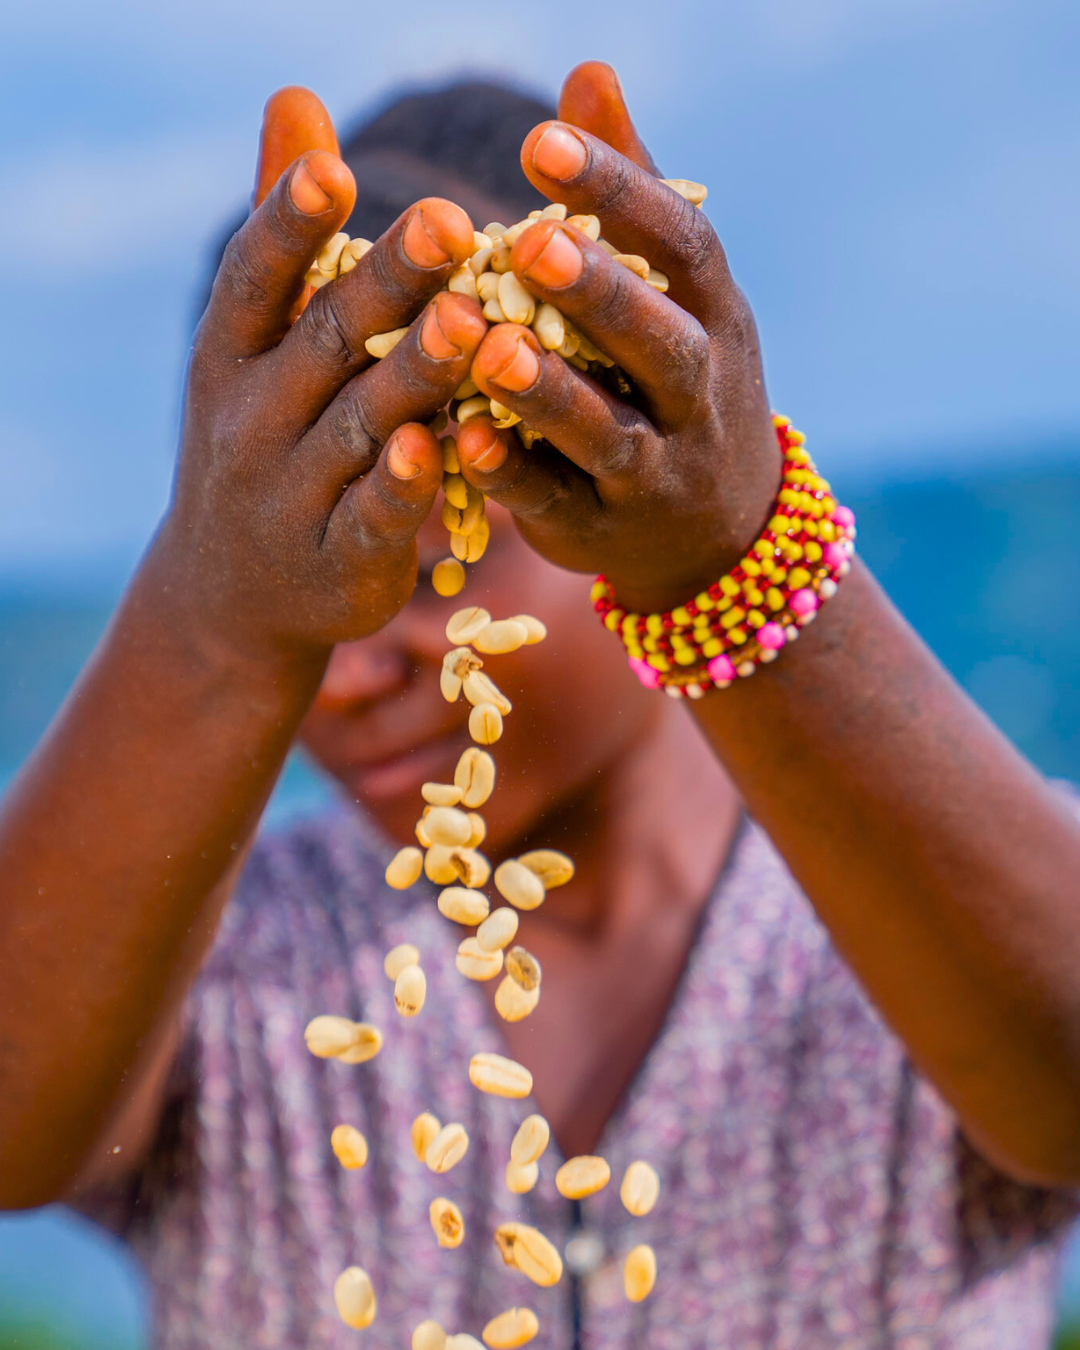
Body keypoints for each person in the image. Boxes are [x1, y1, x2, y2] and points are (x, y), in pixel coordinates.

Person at [1, 59, 1080, 1350]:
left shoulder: (911, 903)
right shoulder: (226, 958)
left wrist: (732, 555)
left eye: (444, 566)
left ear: (619, 491)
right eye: (309, 605)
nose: (346, 670)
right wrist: (220, 616)